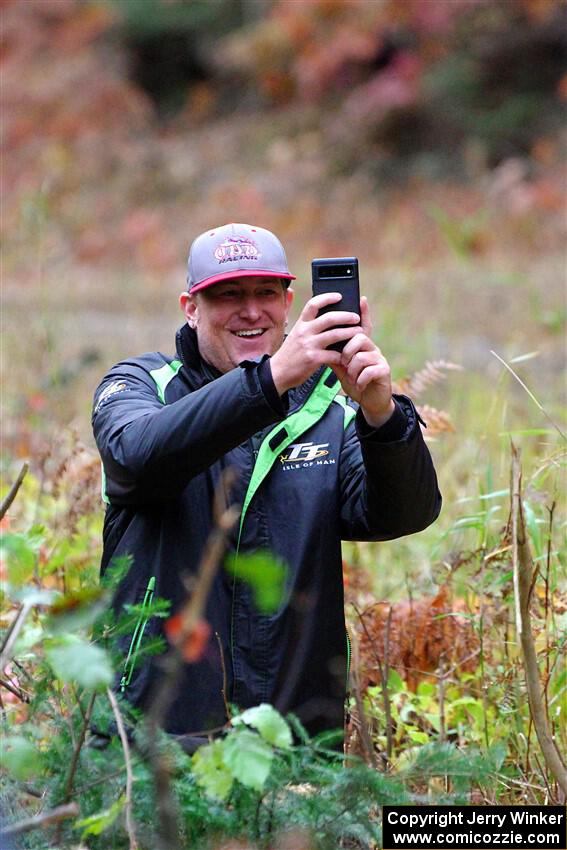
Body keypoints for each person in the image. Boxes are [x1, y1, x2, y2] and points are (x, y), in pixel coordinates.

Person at [92, 222, 441, 751]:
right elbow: (135, 458)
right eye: (228, 295)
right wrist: (273, 378)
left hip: (293, 745)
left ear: (290, 303)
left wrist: (379, 413)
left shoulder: (330, 415)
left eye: (265, 294)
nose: (250, 311)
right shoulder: (140, 386)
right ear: (190, 307)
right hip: (154, 742)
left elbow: (403, 514)